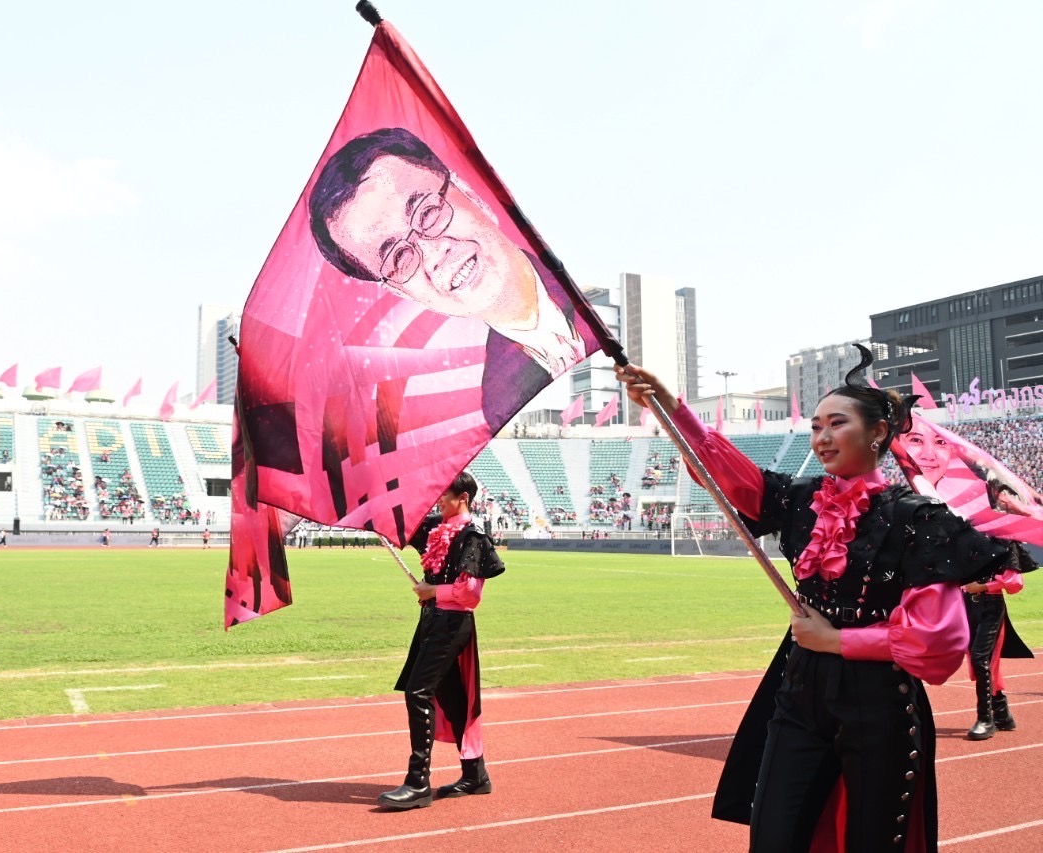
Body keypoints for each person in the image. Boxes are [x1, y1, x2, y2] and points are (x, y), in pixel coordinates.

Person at [617, 345, 1010, 852]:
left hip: (879, 704)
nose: (822, 438)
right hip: (798, 694)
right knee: (775, 837)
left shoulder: (918, 520)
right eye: (816, 426)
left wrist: (837, 640)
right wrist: (670, 406)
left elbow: (938, 644)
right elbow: (728, 473)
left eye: (837, 424)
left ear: (877, 434)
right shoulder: (801, 501)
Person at [309, 127, 599, 431]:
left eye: (427, 213)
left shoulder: (595, 305)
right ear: (401, 292)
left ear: (469, 192)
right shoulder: (498, 394)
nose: (435, 253)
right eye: (398, 257)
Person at [894, 416, 1035, 740]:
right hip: (964, 605)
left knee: (982, 659)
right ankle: (1002, 713)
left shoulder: (1004, 537)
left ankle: (985, 719)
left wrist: (980, 586)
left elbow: (1014, 582)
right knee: (977, 661)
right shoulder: (965, 532)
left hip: (989, 605)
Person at [377, 470, 505, 811]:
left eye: (444, 496)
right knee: (451, 699)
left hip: (452, 624)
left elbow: (470, 594)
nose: (439, 501)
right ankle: (475, 775)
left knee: (417, 692)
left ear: (462, 498)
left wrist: (433, 590)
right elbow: (402, 523)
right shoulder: (437, 527)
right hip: (433, 622)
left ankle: (418, 782)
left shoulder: (474, 536)